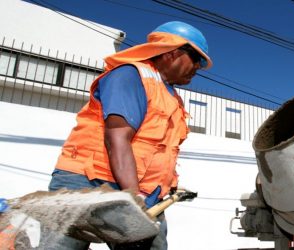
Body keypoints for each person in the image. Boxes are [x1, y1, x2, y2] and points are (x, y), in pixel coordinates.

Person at [42, 21, 212, 250]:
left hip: (141, 193)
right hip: (86, 184)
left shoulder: (171, 97)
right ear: (173, 53)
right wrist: (132, 196)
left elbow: (158, 150)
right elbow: (117, 138)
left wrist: (164, 187)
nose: (198, 68)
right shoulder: (131, 75)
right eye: (197, 60)